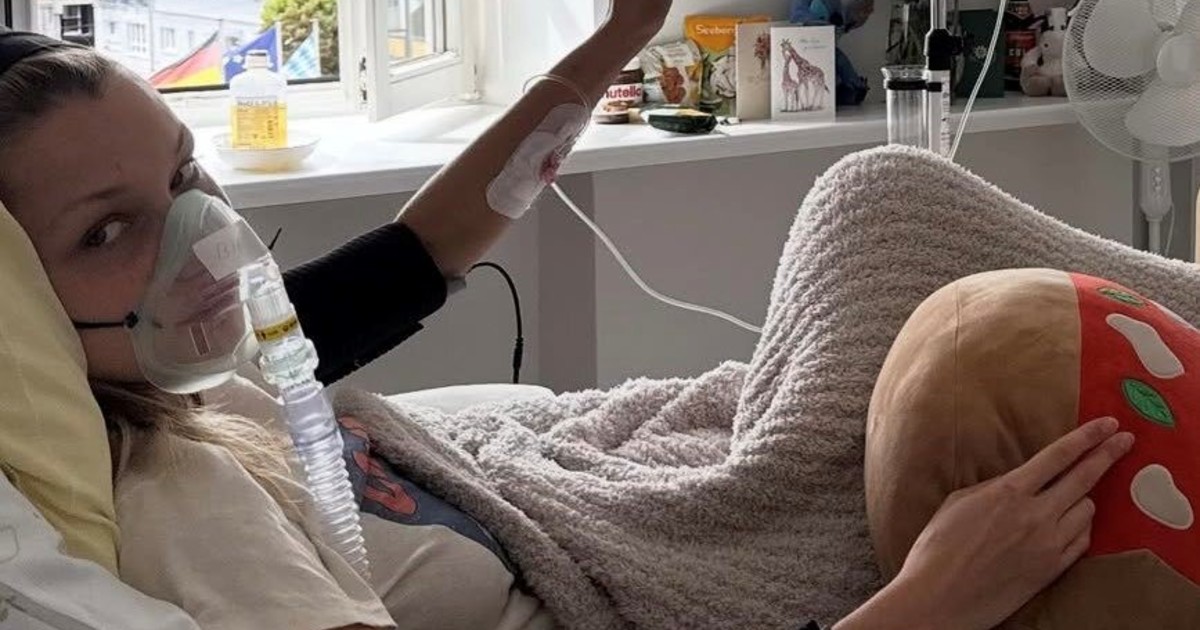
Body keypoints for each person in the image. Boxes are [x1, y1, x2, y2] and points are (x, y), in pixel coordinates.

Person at [0, 1, 1134, 628]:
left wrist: (624, 32)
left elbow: (427, 248)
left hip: (568, 487)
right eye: (107, 231)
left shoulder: (221, 361)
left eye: (186, 175)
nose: (200, 244)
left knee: (882, 200)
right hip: (618, 572)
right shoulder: (182, 499)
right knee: (887, 208)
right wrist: (931, 603)